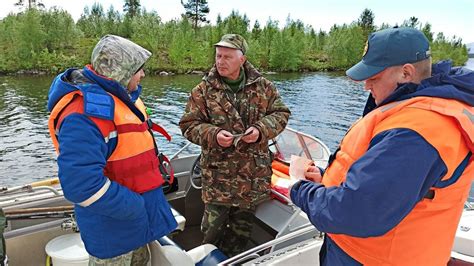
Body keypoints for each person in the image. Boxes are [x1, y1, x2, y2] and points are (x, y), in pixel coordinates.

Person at [290, 27, 474, 265]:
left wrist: (299, 189)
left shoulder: (417, 131)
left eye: (374, 77)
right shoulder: (423, 109)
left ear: (406, 73)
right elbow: (384, 182)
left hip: (370, 258)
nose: (366, 85)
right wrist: (326, 181)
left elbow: (357, 211)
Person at [47, 35, 177, 265]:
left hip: (136, 225)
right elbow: (81, 186)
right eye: (139, 69)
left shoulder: (121, 99)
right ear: (121, 72)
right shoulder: (83, 115)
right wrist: (135, 207)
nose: (143, 75)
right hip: (115, 233)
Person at [179, 34, 291, 256]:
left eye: (227, 57)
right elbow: (188, 125)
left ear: (242, 59)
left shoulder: (264, 87)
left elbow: (281, 114)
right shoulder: (202, 90)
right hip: (218, 179)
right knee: (210, 234)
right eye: (218, 55)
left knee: (240, 235)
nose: (220, 61)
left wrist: (260, 130)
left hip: (251, 179)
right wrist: (214, 134)